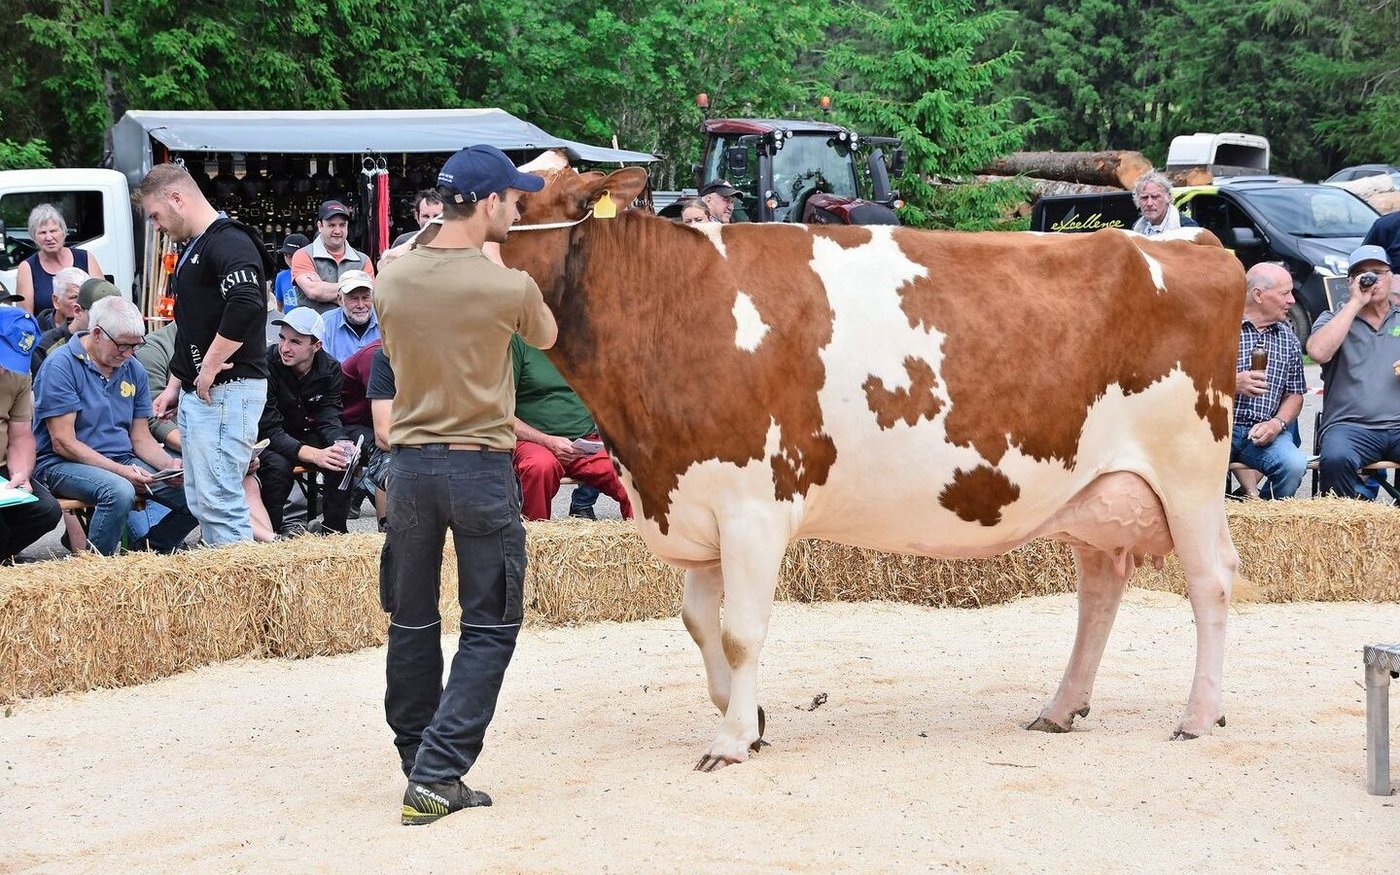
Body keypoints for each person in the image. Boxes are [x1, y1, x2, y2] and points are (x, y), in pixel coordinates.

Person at [375, 144, 557, 825]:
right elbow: (547, 333)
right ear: (485, 204)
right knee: (490, 623)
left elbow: (394, 352)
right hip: (480, 465)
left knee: (413, 619)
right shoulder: (506, 284)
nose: (517, 208)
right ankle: (438, 772)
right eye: (512, 199)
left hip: (412, 467)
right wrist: (494, 261)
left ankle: (417, 756)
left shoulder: (391, 280)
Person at [136, 162, 272, 546]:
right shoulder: (193, 249)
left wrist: (210, 365)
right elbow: (192, 326)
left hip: (229, 390)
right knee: (203, 500)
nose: (157, 227)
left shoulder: (228, 240)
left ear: (176, 198)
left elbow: (247, 301)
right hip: (205, 393)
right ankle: (227, 591)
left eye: (156, 216)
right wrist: (176, 384)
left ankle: (244, 598)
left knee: (220, 501)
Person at [31, 297, 197, 555]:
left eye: (134, 346)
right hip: (61, 464)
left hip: (122, 458)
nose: (128, 353)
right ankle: (100, 569)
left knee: (198, 491)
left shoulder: (133, 368)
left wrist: (168, 466)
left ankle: (149, 551)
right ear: (97, 334)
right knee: (118, 491)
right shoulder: (60, 365)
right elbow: (63, 443)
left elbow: (140, 437)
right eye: (122, 345)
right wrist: (122, 471)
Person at [136, 321, 276, 543]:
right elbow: (153, 419)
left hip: (206, 440)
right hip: (176, 444)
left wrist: (238, 451)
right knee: (208, 490)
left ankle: (268, 545)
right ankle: (270, 543)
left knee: (245, 478)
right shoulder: (154, 347)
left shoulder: (221, 341)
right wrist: (209, 451)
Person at [1305, 244, 1400, 497]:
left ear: (1391, 277)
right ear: (1351, 282)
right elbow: (1318, 352)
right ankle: (1345, 530)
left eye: (1378, 272)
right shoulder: (1333, 318)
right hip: (1349, 426)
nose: (1372, 279)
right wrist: (1356, 302)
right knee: (1336, 458)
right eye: (1363, 274)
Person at [510, 335, 633, 521]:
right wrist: (548, 441)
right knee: (539, 467)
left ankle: (647, 544)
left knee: (634, 473)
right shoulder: (519, 343)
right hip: (534, 442)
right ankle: (535, 541)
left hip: (585, 443)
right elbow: (501, 413)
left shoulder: (583, 340)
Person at [258, 307, 353, 535]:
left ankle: (335, 534)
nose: (285, 347)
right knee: (277, 467)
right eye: (282, 338)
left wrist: (340, 442)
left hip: (303, 430)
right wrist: (315, 454)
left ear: (316, 345)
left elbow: (329, 416)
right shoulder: (266, 365)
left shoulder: (330, 368)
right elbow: (269, 429)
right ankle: (269, 537)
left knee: (342, 457)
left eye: (295, 342)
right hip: (269, 437)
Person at [1231, 263, 1308, 499]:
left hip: (1265, 431)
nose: (1292, 300)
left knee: (1294, 465)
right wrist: (1231, 383)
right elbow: (1192, 380)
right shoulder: (1223, 327)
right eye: (1285, 293)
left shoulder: (1289, 339)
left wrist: (1277, 424)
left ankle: (1262, 518)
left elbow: (1295, 394)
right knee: (1195, 465)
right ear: (1258, 295)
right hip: (1218, 429)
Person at [0, 301, 62, 564]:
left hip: (2, 470)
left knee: (46, 511)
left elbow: (21, 434)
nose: (5, 368)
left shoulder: (17, 374)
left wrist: (21, 473)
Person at [14, 204, 105, 328]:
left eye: (53, 231)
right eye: (42, 232)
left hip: (87, 334)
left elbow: (104, 301)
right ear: (34, 237)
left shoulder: (86, 258)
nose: (49, 237)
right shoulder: (27, 267)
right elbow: (26, 318)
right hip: (47, 339)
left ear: (63, 232)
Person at [289, 200, 375, 314]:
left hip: (354, 330)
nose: (337, 231)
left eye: (342, 225)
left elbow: (371, 295)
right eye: (331, 225)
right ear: (320, 226)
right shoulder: (303, 255)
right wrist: (356, 288)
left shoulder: (363, 260)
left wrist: (325, 290)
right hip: (315, 330)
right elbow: (314, 291)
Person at [29, 267, 89, 375]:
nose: (80, 303)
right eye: (74, 297)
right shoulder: (37, 340)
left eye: (85, 297)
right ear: (56, 301)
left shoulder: (94, 329)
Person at [320, 270, 381, 363]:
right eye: (354, 299)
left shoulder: (385, 320)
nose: (361, 305)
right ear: (340, 300)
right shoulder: (325, 324)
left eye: (366, 298)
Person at [1131, 171, 1199, 236]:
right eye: (1144, 198)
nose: (1149, 203)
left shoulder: (1187, 228)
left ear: (1169, 197)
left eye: (1155, 197)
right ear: (1137, 201)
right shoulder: (1137, 227)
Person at [274, 233, 310, 313]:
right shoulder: (281, 277)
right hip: (289, 323)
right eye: (286, 255)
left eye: (294, 255)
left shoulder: (316, 275)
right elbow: (279, 306)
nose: (290, 259)